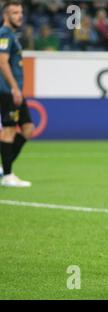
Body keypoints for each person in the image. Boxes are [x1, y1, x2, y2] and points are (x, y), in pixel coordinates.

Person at [0, 0, 33, 187]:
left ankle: (5, 168)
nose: (19, 15)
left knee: (28, 128)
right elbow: (2, 62)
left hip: (15, 91)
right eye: (14, 12)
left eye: (20, 12)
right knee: (9, 130)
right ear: (6, 15)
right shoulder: (4, 34)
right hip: (7, 91)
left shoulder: (12, 35)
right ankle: (7, 175)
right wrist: (13, 87)